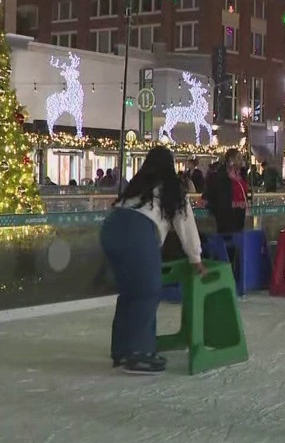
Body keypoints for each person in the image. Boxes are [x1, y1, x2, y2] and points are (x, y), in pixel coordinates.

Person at [100, 146, 206, 374]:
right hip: (138, 232)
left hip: (112, 228)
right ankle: (139, 354)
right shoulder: (172, 188)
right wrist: (196, 258)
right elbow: (185, 223)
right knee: (146, 292)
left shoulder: (138, 185)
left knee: (130, 293)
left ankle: (122, 351)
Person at [203, 148, 250, 233]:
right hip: (226, 216)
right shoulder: (220, 177)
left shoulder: (241, 175)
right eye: (238, 158)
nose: (241, 161)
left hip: (240, 215)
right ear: (231, 160)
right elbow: (212, 194)